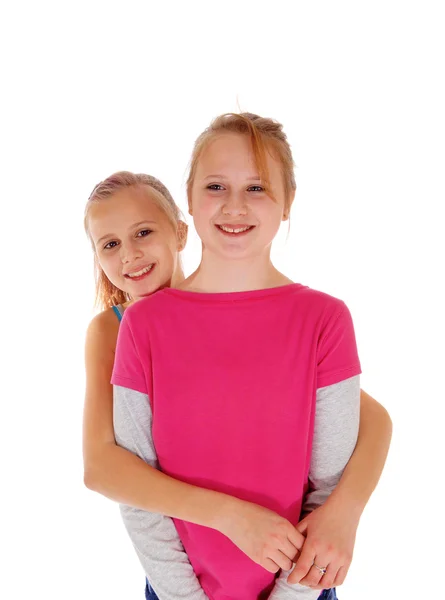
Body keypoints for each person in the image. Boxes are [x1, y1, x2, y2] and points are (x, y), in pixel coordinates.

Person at [84, 125, 391, 599]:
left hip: (297, 579)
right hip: (178, 579)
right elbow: (105, 468)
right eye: (110, 244)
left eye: (256, 187)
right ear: (192, 199)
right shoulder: (124, 328)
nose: (132, 256)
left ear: (177, 228)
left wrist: (345, 511)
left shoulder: (319, 320)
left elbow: (370, 422)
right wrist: (230, 519)